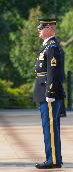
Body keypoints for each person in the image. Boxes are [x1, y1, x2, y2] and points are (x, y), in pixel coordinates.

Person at [33, 19, 65, 169]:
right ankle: (54, 158)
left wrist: (50, 91)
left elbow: (53, 72)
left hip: (49, 92)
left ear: (49, 28)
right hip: (45, 90)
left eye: (41, 28)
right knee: (50, 127)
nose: (38, 30)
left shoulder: (51, 46)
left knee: (50, 128)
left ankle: (52, 159)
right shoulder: (47, 46)